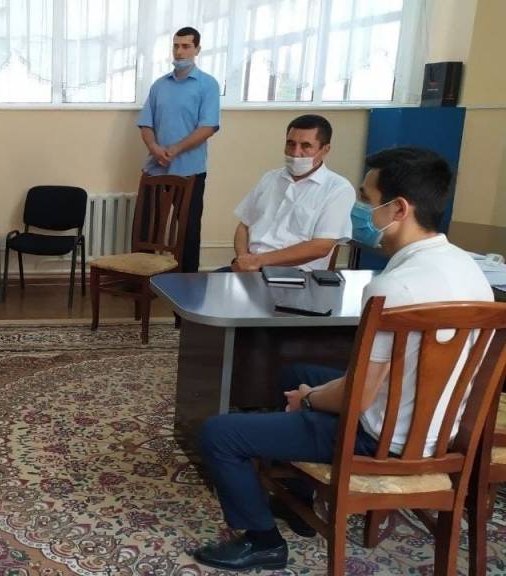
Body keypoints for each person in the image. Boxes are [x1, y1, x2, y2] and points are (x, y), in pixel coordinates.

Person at [193, 147, 494, 571]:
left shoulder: (392, 288)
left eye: (368, 199)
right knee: (296, 372)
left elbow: (359, 396)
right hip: (438, 429)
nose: (360, 211)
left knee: (219, 434)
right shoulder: (470, 271)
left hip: (379, 440)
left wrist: (308, 399)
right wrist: (309, 389)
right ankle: (298, 496)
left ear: (399, 209)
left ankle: (263, 542)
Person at [138, 26, 220, 273]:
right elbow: (146, 123)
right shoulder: (159, 85)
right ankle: (142, 280)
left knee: (188, 230)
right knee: (147, 228)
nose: (179, 51)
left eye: (186, 46)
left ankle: (188, 284)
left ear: (197, 49)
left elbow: (208, 127)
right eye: (176, 45)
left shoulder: (207, 85)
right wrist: (155, 148)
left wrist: (174, 150)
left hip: (190, 171)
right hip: (156, 169)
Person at [229, 114, 355, 272]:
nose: (295, 153)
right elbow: (244, 225)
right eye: (291, 144)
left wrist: (258, 261)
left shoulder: (338, 189)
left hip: (296, 275)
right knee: (203, 285)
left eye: (306, 146)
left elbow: (321, 246)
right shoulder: (270, 178)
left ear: (325, 149)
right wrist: (243, 259)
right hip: (249, 268)